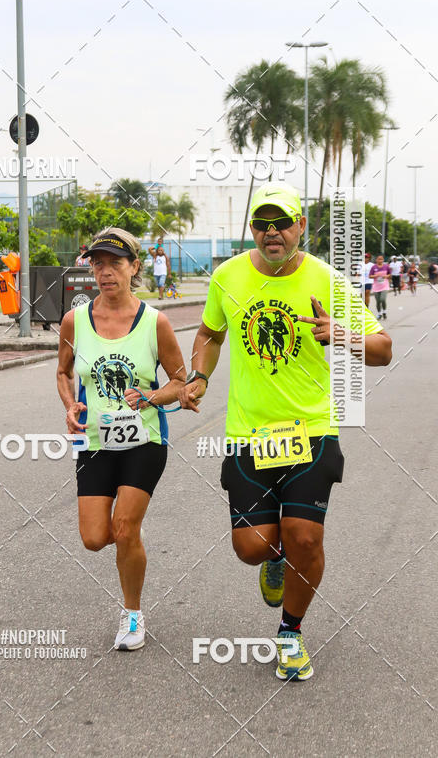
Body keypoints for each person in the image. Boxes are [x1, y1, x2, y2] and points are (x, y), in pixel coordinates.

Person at [179, 183, 391, 681]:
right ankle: (273, 557)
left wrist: (342, 334)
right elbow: (211, 333)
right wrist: (201, 375)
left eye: (281, 224)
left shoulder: (329, 281)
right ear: (252, 230)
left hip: (312, 431)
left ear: (300, 227)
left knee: (306, 539)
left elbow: (383, 348)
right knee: (250, 547)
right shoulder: (228, 275)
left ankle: (290, 633)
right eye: (261, 225)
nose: (272, 234)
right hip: (249, 434)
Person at [57, 227, 185, 651]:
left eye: (115, 262)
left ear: (134, 267)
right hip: (94, 442)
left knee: (125, 527)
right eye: (98, 263)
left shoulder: (156, 322)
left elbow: (181, 381)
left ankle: (132, 613)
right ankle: (129, 544)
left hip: (144, 440)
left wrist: (152, 395)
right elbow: (63, 372)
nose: (105, 272)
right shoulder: (75, 321)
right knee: (95, 538)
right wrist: (69, 404)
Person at [369, 255, 391, 320]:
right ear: (376, 260)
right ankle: (379, 314)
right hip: (376, 287)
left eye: (381, 259)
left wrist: (386, 276)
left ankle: (384, 311)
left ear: (383, 260)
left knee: (383, 299)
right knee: (378, 301)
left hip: (384, 286)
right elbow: (370, 276)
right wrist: (375, 275)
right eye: (379, 259)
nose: (380, 260)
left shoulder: (386, 266)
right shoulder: (374, 267)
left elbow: (390, 274)